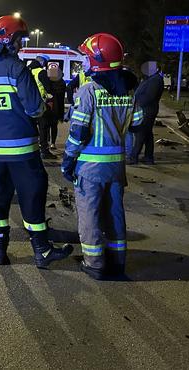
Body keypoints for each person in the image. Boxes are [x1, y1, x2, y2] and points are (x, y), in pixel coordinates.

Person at [0, 15, 73, 267]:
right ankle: (42, 251)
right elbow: (35, 109)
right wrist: (40, 109)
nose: (21, 45)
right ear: (8, 41)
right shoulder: (17, 69)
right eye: (19, 39)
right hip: (23, 151)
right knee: (32, 195)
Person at [61, 33, 144, 280]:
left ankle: (94, 263)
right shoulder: (129, 91)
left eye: (87, 58)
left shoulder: (88, 91)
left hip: (90, 167)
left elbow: (77, 133)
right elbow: (138, 124)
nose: (84, 63)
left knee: (90, 216)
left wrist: (67, 160)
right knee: (115, 214)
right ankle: (118, 261)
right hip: (117, 167)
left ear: (98, 60)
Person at [128, 61, 164, 165]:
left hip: (147, 110)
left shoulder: (156, 80)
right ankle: (148, 157)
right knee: (147, 134)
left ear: (157, 69)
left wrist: (137, 103)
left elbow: (149, 96)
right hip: (147, 109)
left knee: (141, 132)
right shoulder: (150, 79)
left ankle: (133, 157)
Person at [28, 55, 56, 159]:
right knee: (43, 128)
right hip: (41, 104)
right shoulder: (41, 72)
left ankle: (32, 149)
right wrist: (50, 98)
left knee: (31, 127)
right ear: (43, 62)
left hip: (29, 103)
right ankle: (44, 150)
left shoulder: (28, 71)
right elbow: (48, 88)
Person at [46, 63, 66, 149]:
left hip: (48, 106)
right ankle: (52, 143)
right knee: (54, 126)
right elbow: (61, 99)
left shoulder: (48, 82)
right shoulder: (62, 83)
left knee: (47, 125)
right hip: (57, 108)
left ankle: (47, 141)